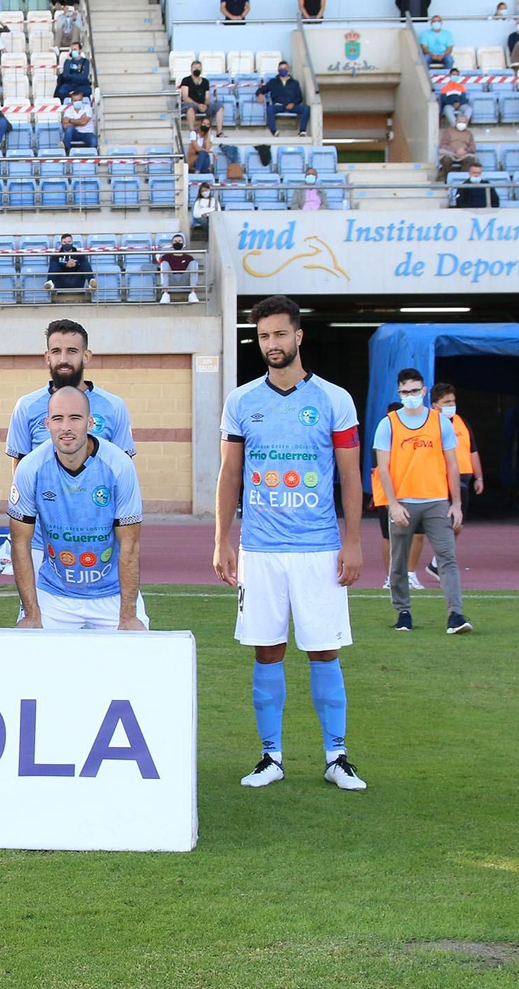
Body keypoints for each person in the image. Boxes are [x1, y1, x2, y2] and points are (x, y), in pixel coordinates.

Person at [214, 296, 365, 791]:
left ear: (299, 336)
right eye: (263, 337)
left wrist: (354, 542)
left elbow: (349, 476)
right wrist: (223, 539)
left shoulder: (334, 399)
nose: (271, 344)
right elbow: (229, 474)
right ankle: (270, 756)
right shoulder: (240, 402)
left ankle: (337, 756)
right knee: (267, 651)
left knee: (324, 651)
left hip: (319, 548)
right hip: (260, 549)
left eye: (280, 334)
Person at [9, 386, 147, 630]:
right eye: (58, 419)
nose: (66, 427)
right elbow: (20, 543)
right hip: (53, 595)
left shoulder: (119, 466)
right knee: (29, 659)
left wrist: (127, 616)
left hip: (112, 595)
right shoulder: (30, 468)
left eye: (75, 418)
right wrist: (31, 613)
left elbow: (130, 545)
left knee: (137, 659)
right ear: (47, 423)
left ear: (90, 422)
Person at [373, 367, 471, 635]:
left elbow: (452, 464)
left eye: (415, 391)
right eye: (405, 392)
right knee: (399, 560)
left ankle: (455, 615)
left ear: (424, 391)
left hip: (436, 500)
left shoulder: (440, 422)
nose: (411, 396)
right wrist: (392, 503)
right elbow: (383, 467)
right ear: (399, 393)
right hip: (403, 500)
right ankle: (403, 613)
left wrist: (456, 503)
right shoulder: (388, 423)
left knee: (447, 558)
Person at [7, 319, 135, 462]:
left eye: (72, 351)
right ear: (48, 357)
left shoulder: (114, 406)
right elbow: (20, 471)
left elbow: (124, 467)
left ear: (86, 356)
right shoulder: (25, 406)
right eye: (56, 351)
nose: (63, 359)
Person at [428, 383, 484, 576]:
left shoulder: (461, 422)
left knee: (457, 524)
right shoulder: (430, 424)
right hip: (442, 479)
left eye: (453, 401)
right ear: (435, 405)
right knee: (447, 522)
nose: (452, 405)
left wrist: (479, 477)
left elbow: (472, 450)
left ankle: (438, 561)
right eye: (447, 402)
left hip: (464, 480)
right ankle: (441, 562)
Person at [256, 61, 309, 135]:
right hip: (279, 105)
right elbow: (261, 90)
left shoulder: (294, 83)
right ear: (278, 70)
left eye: (285, 68)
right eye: (281, 69)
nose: (283, 70)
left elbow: (299, 97)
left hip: (292, 106)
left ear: (288, 69)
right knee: (270, 109)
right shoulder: (273, 82)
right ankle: (274, 131)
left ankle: (302, 131)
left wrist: (293, 103)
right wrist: (260, 94)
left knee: (306, 108)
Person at [179, 59, 224, 134]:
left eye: (199, 67)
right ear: (191, 69)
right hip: (191, 105)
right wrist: (198, 105)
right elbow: (185, 97)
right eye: (195, 67)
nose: (197, 69)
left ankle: (219, 132)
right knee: (190, 106)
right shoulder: (186, 80)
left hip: (203, 105)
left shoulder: (205, 81)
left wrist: (205, 105)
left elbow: (207, 97)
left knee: (219, 105)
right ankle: (192, 132)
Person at [156, 232, 197, 302]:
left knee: (193, 263)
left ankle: (193, 293)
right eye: (175, 241)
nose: (177, 243)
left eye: (179, 241)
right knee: (164, 263)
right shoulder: (166, 257)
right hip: (171, 280)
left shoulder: (188, 258)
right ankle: (165, 294)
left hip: (184, 279)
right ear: (172, 244)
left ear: (183, 244)